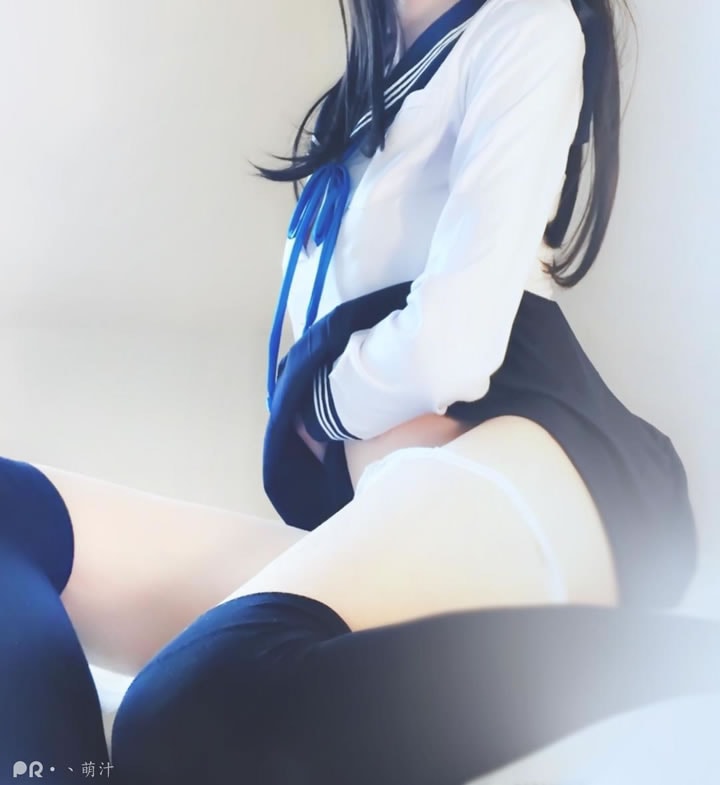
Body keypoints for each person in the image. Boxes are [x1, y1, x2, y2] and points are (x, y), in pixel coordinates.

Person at [2, 0, 718, 783]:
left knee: (185, 709)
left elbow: (450, 350)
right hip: (392, 517)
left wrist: (319, 405)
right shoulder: (368, 85)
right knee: (13, 509)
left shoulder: (525, 27)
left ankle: (687, 658)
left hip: (514, 472)